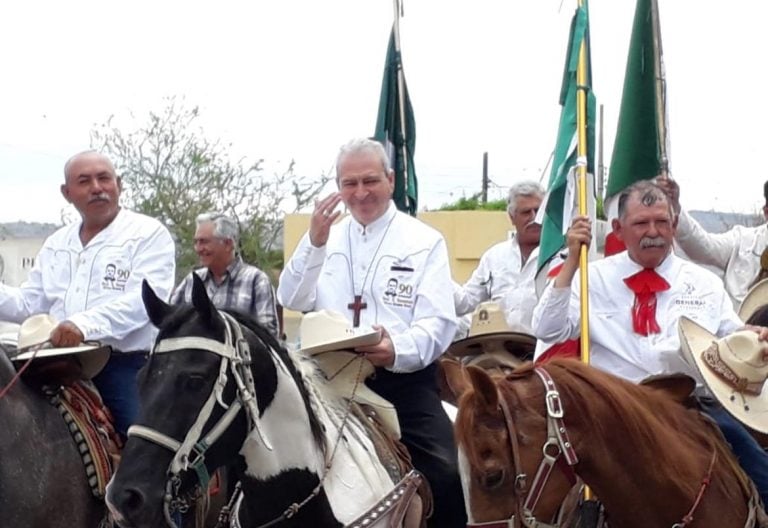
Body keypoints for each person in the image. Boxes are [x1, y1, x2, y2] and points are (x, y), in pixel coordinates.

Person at [532, 180, 768, 506]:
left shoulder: (704, 283)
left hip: (689, 408)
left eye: (661, 221)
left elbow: (729, 336)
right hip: (610, 411)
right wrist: (572, 261)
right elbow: (547, 328)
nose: (652, 231)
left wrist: (752, 338)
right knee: (541, 488)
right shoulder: (591, 277)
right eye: (641, 223)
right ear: (618, 228)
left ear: (674, 225)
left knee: (762, 477)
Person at [277, 138, 465, 527]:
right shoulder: (325, 237)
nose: (360, 194)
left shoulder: (423, 241)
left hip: (401, 382)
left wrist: (396, 349)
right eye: (349, 184)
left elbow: (438, 321)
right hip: (328, 382)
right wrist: (313, 241)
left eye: (370, 181)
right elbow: (292, 295)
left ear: (390, 180)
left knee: (448, 473)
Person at [0, 151, 176, 438]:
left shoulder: (148, 234)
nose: (96, 187)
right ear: (67, 193)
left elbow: (143, 301)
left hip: (121, 362)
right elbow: (29, 304)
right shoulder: (57, 242)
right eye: (84, 181)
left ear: (119, 184)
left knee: (141, 443)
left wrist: (83, 325)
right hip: (54, 359)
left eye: (104, 178)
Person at [657, 177, 768, 308]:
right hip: (740, 326)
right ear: (766, 211)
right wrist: (675, 207)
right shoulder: (743, 241)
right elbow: (703, 247)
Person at [453, 181, 543, 333]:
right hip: (499, 350)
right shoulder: (495, 257)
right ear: (512, 217)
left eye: (538, 211)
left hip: (545, 352)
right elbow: (465, 302)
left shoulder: (561, 257)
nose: (534, 218)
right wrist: (435, 273)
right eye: (526, 212)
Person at [171, 213, 278, 337]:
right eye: (196, 242)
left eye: (204, 242)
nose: (198, 248)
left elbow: (269, 336)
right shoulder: (191, 281)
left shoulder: (256, 281)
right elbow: (171, 322)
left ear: (228, 244)